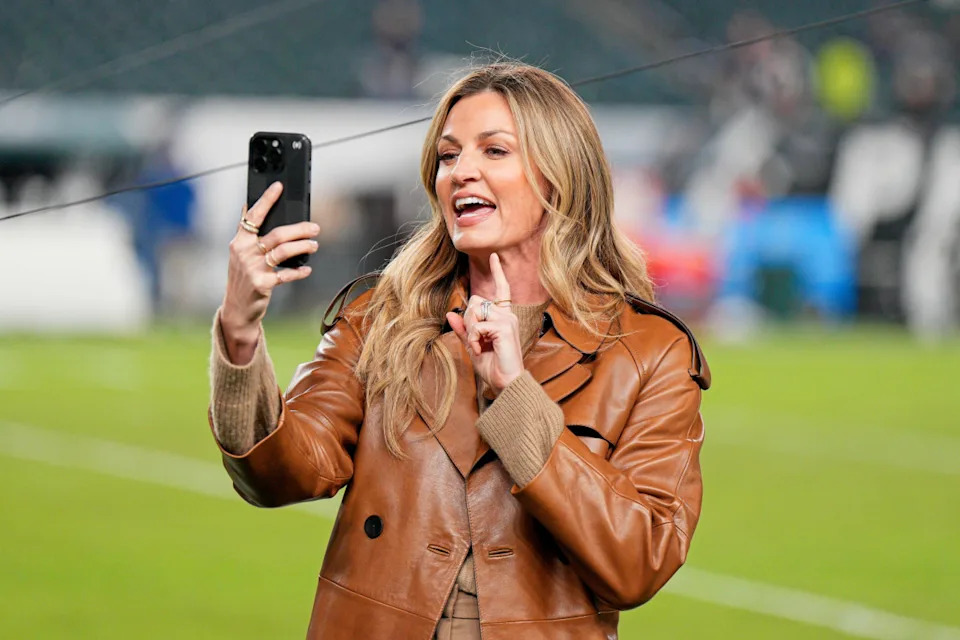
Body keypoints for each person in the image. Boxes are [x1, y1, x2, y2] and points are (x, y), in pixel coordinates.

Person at [208, 62, 710, 640]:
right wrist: (240, 332)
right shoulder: (378, 318)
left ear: (561, 174)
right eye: (448, 157)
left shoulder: (650, 351)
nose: (461, 172)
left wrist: (514, 395)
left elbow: (638, 562)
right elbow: (279, 474)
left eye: (494, 151)